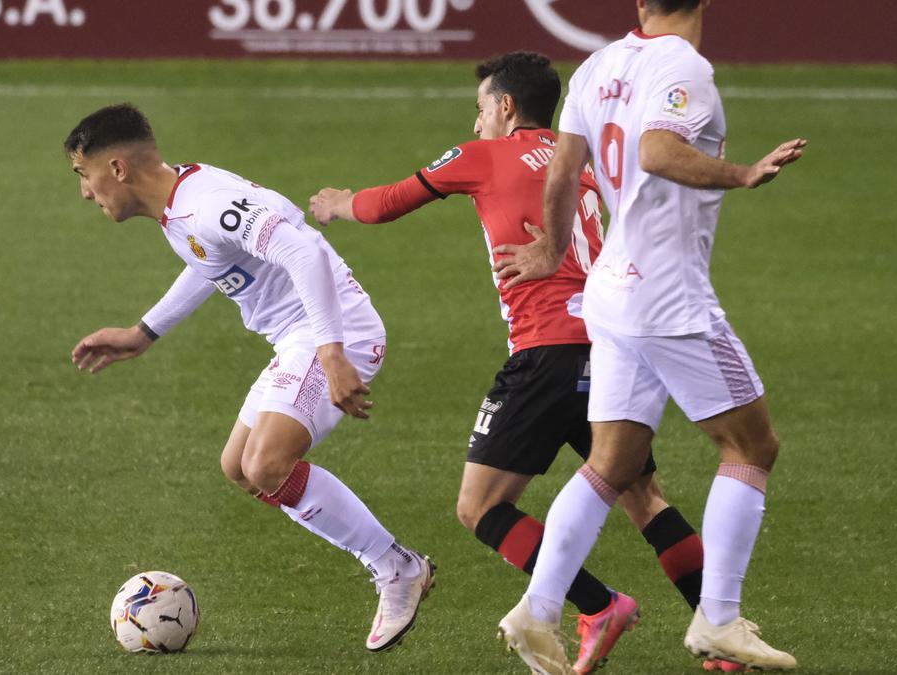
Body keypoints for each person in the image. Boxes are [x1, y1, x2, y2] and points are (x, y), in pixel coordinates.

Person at [310, 52, 719, 674]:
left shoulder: (483, 156)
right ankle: (721, 632)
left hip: (545, 351)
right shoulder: (577, 156)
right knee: (643, 495)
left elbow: (387, 202)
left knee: (480, 507)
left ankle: (599, 605)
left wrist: (338, 204)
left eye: (480, 109)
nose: (476, 125)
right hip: (614, 344)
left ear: (505, 106)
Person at [492, 2, 806, 672]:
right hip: (670, 297)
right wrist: (743, 173)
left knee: (611, 461)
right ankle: (718, 618)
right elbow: (659, 150)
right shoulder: (684, 66)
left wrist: (550, 249)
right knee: (751, 444)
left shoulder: (598, 64)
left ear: (639, 3)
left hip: (610, 289)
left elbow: (561, 170)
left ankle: (538, 606)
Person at [63, 103, 434, 653]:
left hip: (333, 331)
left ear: (116, 168)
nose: (85, 192)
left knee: (266, 463)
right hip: (299, 338)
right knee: (240, 469)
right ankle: (396, 563)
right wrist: (145, 332)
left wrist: (332, 353)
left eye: (83, 175)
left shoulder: (204, 206)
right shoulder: (182, 203)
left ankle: (396, 567)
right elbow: (208, 261)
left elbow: (303, 248)